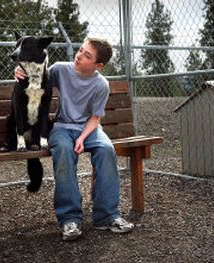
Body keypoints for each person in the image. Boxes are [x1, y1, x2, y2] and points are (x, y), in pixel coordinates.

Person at [15, 37, 134, 241]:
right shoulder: (61, 69)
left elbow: (95, 118)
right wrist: (21, 72)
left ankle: (106, 216)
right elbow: (37, 77)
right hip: (62, 127)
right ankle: (70, 219)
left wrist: (82, 138)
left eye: (87, 55)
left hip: (89, 129)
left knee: (106, 149)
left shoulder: (101, 85)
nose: (79, 55)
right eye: (80, 50)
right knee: (62, 150)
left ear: (98, 65)